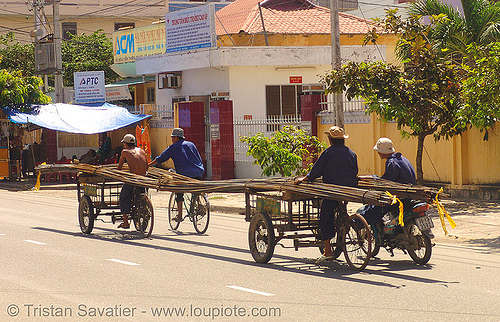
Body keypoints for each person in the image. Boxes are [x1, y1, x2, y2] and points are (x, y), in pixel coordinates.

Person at [296, 126, 358, 263]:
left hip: (332, 191)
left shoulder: (328, 153)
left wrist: (305, 179)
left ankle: (328, 250)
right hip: (349, 190)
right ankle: (346, 223)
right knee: (341, 209)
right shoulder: (351, 153)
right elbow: (355, 171)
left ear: (330, 140)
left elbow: (315, 171)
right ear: (343, 140)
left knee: (324, 217)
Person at [148, 128, 204, 221]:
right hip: (198, 172)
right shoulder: (191, 144)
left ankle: (180, 215)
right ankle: (199, 204)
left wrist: (148, 165)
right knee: (196, 190)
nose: (172, 139)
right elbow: (198, 158)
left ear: (176, 137)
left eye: (172, 137)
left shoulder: (173, 147)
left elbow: (161, 158)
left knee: (179, 191)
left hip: (184, 174)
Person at [361, 137, 416, 228]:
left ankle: (356, 223)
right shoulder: (403, 159)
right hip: (409, 196)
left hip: (399, 198)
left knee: (373, 210)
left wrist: (374, 182)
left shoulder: (392, 162)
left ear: (381, 151)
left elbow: (386, 182)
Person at [117, 134, 149, 229]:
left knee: (123, 197)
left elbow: (119, 168)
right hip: (144, 179)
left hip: (133, 179)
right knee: (142, 192)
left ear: (125, 144)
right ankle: (145, 206)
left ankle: (126, 221)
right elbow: (146, 166)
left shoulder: (125, 152)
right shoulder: (142, 151)